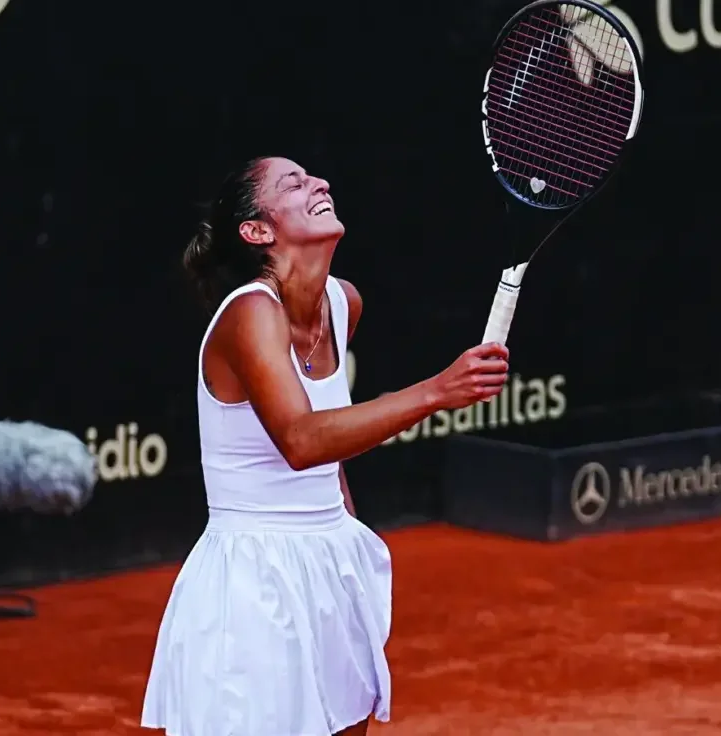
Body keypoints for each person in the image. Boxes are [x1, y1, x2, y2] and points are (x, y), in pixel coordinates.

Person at [140, 156, 510, 736]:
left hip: (330, 563)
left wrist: (347, 549)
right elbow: (302, 439)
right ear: (257, 231)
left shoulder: (343, 304)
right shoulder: (248, 315)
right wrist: (438, 391)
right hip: (253, 580)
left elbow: (329, 447)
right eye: (294, 183)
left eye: (313, 176)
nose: (320, 184)